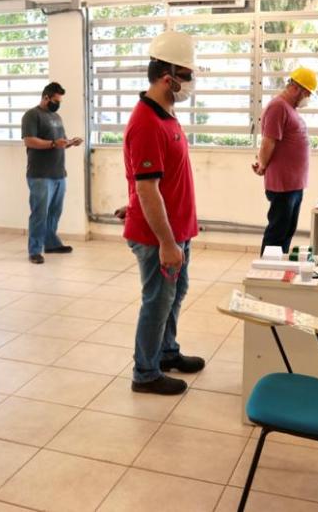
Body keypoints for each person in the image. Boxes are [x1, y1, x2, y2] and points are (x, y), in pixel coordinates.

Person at [122, 30, 205, 396]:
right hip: (159, 238)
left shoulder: (166, 114)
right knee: (157, 300)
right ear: (168, 78)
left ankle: (167, 352)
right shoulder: (146, 122)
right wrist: (167, 243)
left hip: (177, 230)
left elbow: (157, 179)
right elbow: (146, 187)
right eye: (187, 76)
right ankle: (145, 372)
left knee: (175, 294)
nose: (190, 83)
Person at [252, 67, 317, 255]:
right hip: (283, 185)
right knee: (277, 232)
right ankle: (266, 272)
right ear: (296, 88)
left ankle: (277, 269)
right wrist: (262, 165)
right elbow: (268, 141)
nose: (307, 98)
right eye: (307, 93)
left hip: (293, 184)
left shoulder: (289, 109)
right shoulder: (278, 107)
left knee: (287, 230)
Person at [20, 82, 83, 264]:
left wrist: (70, 142)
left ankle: (51, 243)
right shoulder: (32, 115)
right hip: (40, 174)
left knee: (55, 212)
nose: (58, 103)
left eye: (59, 100)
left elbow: (59, 142)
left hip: (59, 173)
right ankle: (35, 250)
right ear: (46, 97)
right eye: (55, 100)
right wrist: (53, 144)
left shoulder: (56, 116)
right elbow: (29, 141)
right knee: (39, 213)